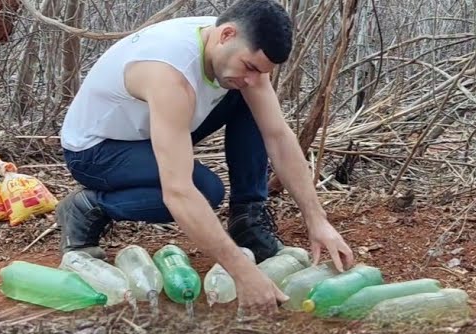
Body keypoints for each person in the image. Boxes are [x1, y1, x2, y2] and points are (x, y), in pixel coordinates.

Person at [56, 0, 354, 315]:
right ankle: (88, 207)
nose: (255, 78)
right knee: (204, 190)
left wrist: (317, 220)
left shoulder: (235, 49)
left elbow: (278, 137)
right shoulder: (170, 75)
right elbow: (178, 192)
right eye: (250, 67)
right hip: (97, 149)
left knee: (248, 97)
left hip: (149, 129)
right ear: (226, 34)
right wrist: (243, 273)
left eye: (262, 71)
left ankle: (248, 221)